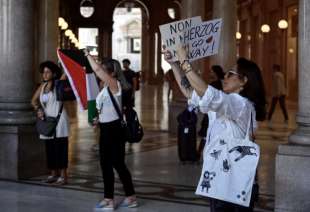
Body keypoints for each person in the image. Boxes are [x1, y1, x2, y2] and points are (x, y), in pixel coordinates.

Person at [164, 46, 266, 212]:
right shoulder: (226, 103)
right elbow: (190, 92)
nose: (225, 77)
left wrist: (184, 62)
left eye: (231, 74)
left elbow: (206, 91)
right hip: (220, 180)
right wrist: (174, 64)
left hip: (234, 182)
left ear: (244, 81)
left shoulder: (240, 104)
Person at [84, 50, 137, 210]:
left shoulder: (115, 85)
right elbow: (105, 109)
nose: (99, 71)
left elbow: (97, 70)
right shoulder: (106, 89)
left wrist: (88, 55)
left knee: (114, 164)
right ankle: (129, 197)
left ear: (112, 73)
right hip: (106, 128)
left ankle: (110, 200)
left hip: (114, 129)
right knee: (109, 164)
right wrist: (97, 119)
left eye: (103, 69)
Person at [31, 61, 70, 185]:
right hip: (47, 121)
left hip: (60, 120)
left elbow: (67, 73)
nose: (45, 74)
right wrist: (38, 109)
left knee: (61, 148)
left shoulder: (59, 84)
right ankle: (53, 174)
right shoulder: (42, 86)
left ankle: (63, 176)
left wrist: (65, 62)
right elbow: (33, 100)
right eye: (43, 72)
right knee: (50, 148)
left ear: (54, 73)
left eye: (48, 72)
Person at [197, 65, 225, 160]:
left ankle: (199, 153)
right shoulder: (221, 83)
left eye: (212, 71)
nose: (210, 73)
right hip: (218, 113)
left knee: (206, 135)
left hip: (212, 113)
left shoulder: (214, 85)